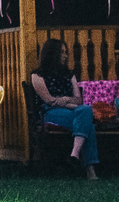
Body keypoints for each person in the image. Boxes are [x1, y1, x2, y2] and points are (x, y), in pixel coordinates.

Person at [24, 37, 98, 179]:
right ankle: (90, 171)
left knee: (86, 110)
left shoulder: (69, 74)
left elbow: (79, 99)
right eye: (62, 52)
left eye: (66, 52)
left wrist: (66, 100)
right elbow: (49, 100)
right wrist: (69, 103)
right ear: (52, 54)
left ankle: (74, 155)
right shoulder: (37, 75)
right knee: (88, 124)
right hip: (51, 112)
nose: (65, 56)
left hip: (72, 110)